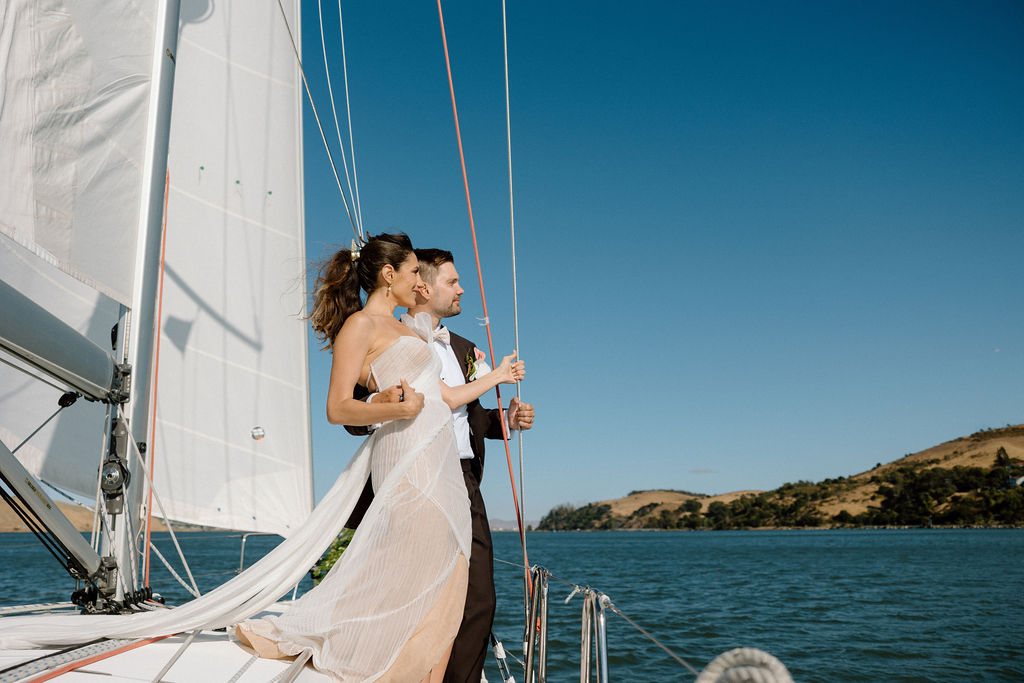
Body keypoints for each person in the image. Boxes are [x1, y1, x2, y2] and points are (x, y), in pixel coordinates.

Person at [235, 234, 524, 682]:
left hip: (443, 465)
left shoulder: (413, 331)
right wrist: (393, 406)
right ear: (389, 276)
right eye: (413, 273)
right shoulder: (361, 327)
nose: (419, 283)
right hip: (410, 464)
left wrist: (496, 381)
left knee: (448, 585)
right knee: (422, 579)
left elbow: (443, 396)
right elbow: (337, 409)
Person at [346, 249, 535, 683]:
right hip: (412, 474)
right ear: (423, 288)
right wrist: (384, 402)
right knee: (427, 596)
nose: (461, 289)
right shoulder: (389, 336)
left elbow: (466, 416)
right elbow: (354, 410)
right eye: (453, 281)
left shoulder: (465, 349)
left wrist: (505, 421)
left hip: (462, 478)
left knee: (473, 599)